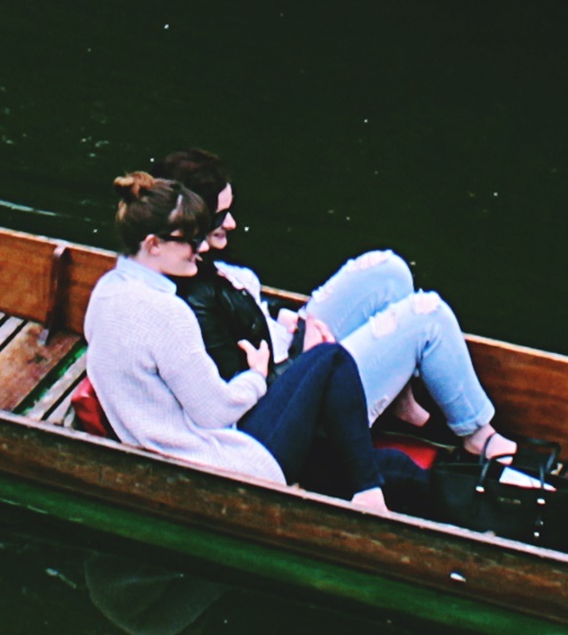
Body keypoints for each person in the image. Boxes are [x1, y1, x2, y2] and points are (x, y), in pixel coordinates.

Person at [132, 147, 520, 464]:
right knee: (428, 316)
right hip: (289, 408)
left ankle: (394, 396)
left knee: (388, 272)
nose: (231, 224)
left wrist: (294, 327)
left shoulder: (195, 265)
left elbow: (245, 316)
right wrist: (309, 358)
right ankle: (476, 435)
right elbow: (236, 397)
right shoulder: (186, 306)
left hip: (284, 355)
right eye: (219, 216)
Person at [82, 168, 389, 509]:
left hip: (162, 448)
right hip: (222, 468)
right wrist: (256, 376)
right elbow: (214, 412)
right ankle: (369, 497)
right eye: (189, 240)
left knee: (383, 465)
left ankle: (375, 485)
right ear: (153, 244)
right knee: (330, 358)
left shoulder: (105, 292)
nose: (200, 248)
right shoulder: (166, 312)